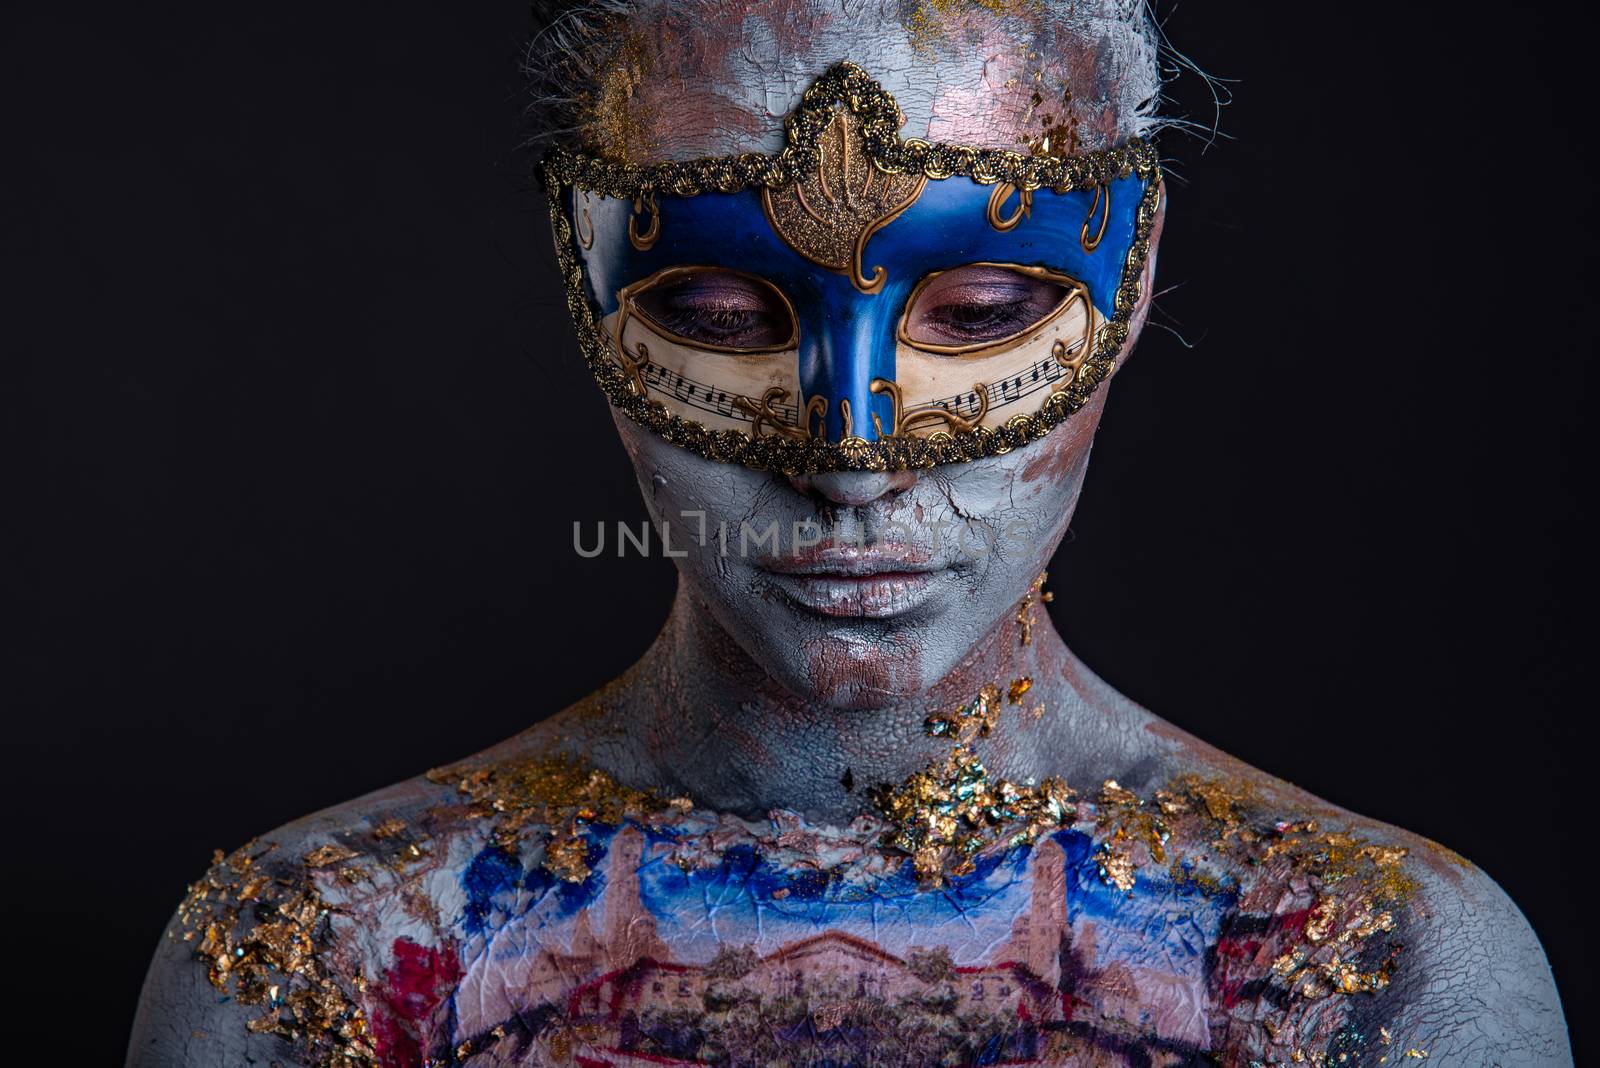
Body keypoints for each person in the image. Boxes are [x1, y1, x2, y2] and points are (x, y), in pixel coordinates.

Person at [128, 3, 1570, 1065]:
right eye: (718, 317)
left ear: (1132, 283)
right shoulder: (314, 961)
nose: (854, 458)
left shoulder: (1380, 977)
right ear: (582, 272)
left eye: (985, 314)